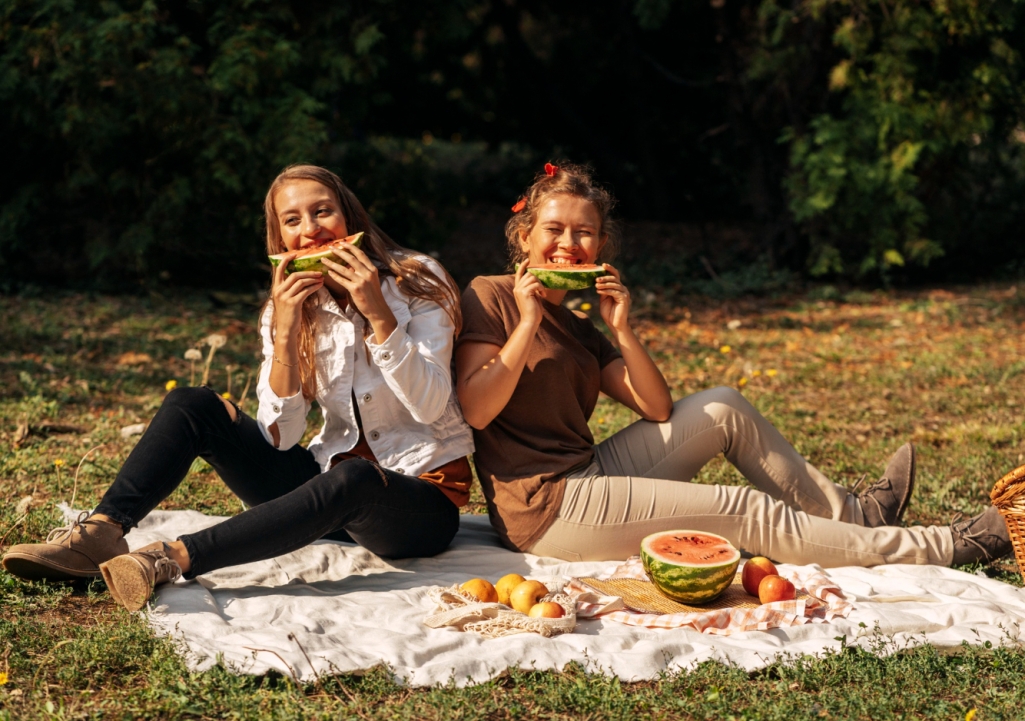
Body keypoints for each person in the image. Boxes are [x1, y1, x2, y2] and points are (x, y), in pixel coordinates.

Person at [454, 161, 1011, 568]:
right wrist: (526, 323)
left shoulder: (579, 326)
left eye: (585, 233)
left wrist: (621, 328)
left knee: (722, 405)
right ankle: (951, 545)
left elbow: (655, 406)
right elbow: (477, 411)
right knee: (742, 509)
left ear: (601, 246)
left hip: (590, 472)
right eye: (554, 230)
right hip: (547, 509)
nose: (568, 244)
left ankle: (854, 514)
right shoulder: (492, 295)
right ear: (524, 235)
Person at [3, 164, 474, 610]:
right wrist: (286, 331)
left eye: (322, 211)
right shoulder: (288, 307)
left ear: (350, 216)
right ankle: (101, 533)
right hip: (322, 487)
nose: (310, 229)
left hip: (418, 502)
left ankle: (171, 558)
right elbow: (281, 438)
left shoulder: (416, 279)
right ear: (280, 237)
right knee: (192, 403)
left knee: (352, 479)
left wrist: (379, 315)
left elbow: (432, 406)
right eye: (292, 220)